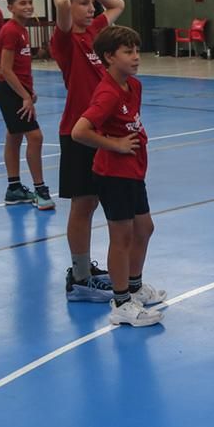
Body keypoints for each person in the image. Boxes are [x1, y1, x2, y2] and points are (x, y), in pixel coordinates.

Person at [71, 25, 165, 327]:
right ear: (109, 57)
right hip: (113, 174)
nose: (136, 57)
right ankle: (121, 302)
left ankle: (134, 286)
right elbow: (79, 131)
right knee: (121, 237)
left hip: (134, 171)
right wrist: (115, 145)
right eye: (128, 52)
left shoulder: (133, 86)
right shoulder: (107, 93)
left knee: (145, 228)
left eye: (137, 50)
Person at [52, 0, 126, 301]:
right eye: (83, 3)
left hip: (102, 132)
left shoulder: (96, 33)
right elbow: (63, 4)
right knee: (82, 205)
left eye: (90, 3)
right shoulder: (65, 41)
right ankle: (80, 278)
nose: (90, 7)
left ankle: (85, 269)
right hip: (77, 132)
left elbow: (118, 5)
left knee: (93, 201)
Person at [0, 0, 53, 210]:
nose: (28, 6)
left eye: (30, 2)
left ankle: (14, 189)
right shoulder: (10, 30)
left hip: (18, 90)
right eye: (22, 3)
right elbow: (6, 69)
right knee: (35, 137)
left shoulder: (22, 29)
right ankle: (40, 190)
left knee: (14, 135)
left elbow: (21, 67)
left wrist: (30, 90)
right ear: (10, 8)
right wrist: (24, 97)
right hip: (10, 91)